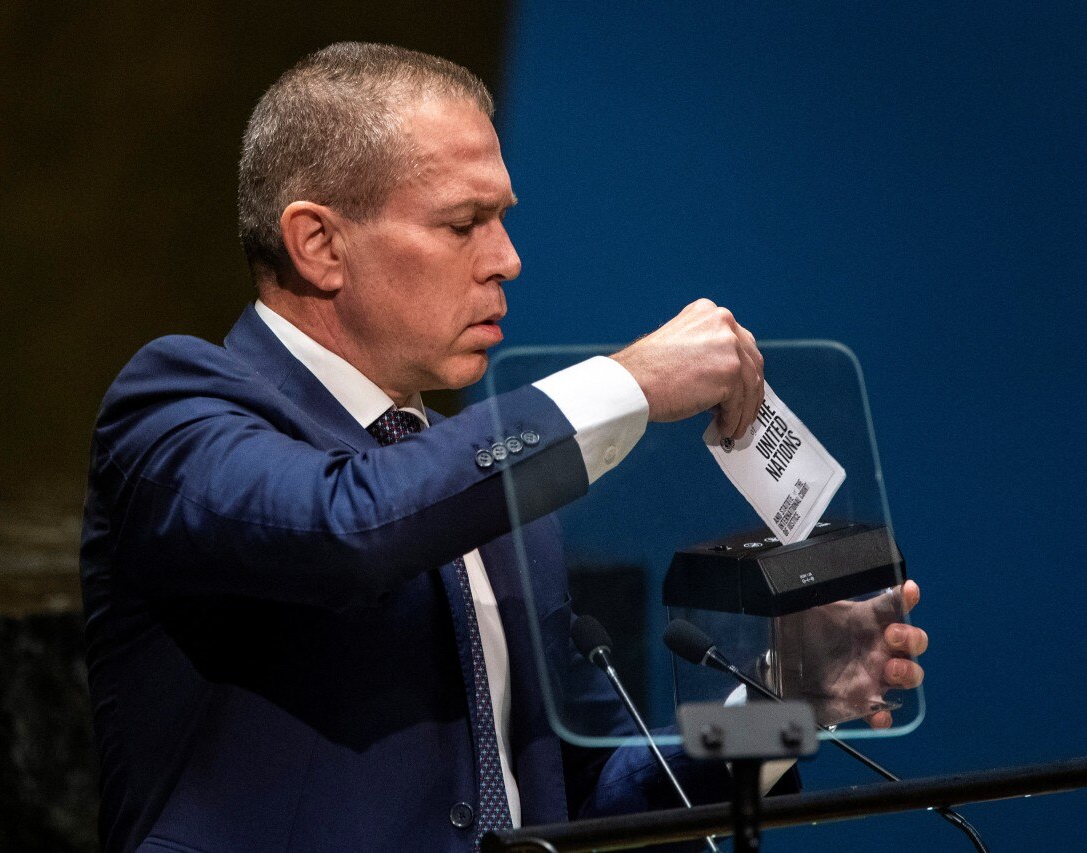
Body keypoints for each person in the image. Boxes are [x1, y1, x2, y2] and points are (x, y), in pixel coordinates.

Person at [80, 42, 928, 852]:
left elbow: (601, 793)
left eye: (504, 219)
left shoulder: (496, 492)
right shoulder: (174, 408)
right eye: (464, 223)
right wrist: (626, 382)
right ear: (319, 244)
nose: (509, 260)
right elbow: (342, 526)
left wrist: (785, 703)